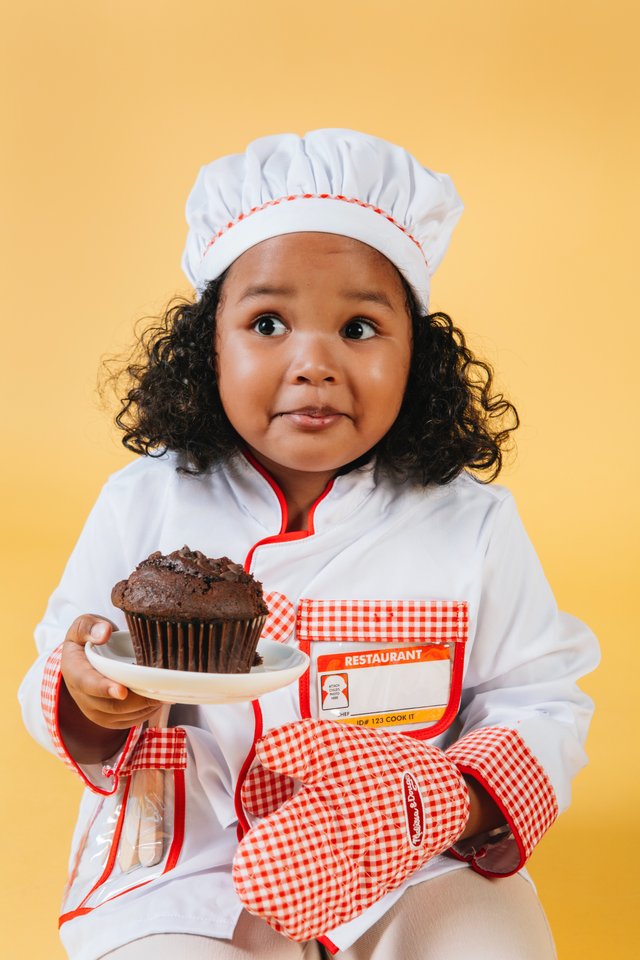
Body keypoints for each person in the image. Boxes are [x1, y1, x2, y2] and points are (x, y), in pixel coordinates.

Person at [19, 129, 599, 960]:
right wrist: (89, 695)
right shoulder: (144, 500)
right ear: (206, 348)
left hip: (407, 862)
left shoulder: (471, 522)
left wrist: (446, 800)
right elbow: (67, 654)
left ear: (418, 356)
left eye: (360, 328)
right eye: (267, 322)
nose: (315, 361)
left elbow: (541, 700)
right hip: (187, 859)